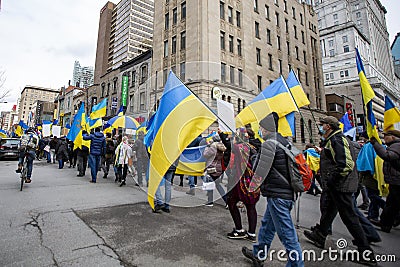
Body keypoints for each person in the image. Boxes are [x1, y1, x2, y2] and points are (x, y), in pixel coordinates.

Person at [304, 116, 376, 265]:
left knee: (349, 217)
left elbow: (345, 165)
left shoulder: (337, 140)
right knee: (329, 210)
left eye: (322, 125)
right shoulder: (332, 140)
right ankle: (320, 234)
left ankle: (366, 252)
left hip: (341, 186)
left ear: (329, 126)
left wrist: (331, 180)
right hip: (336, 186)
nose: (320, 127)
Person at [241, 112, 303, 267]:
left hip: (278, 195)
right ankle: (258, 254)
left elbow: (259, 170)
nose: (260, 130)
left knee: (287, 235)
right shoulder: (283, 141)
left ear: (266, 129)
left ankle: (297, 265)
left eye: (261, 128)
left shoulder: (269, 144)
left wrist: (254, 155)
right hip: (285, 193)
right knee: (268, 225)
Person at [226, 129, 260, 243]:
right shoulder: (253, 146)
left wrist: (222, 134)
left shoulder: (242, 147)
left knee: (231, 202)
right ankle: (251, 233)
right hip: (254, 181)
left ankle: (240, 230)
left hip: (243, 181)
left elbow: (229, 146)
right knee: (251, 207)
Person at [370, 129, 400, 233]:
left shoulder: (397, 146)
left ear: (393, 137)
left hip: (397, 181)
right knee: (391, 204)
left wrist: (376, 144)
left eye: (386, 135)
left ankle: (387, 223)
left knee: (393, 203)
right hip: (395, 181)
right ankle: (385, 223)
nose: (384, 138)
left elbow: (387, 156)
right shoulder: (394, 146)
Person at [203, 134, 228, 207]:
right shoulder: (221, 147)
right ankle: (227, 201)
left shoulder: (213, 147)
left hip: (211, 168)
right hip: (218, 168)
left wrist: (207, 146)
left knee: (210, 185)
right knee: (218, 185)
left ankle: (210, 202)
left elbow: (205, 154)